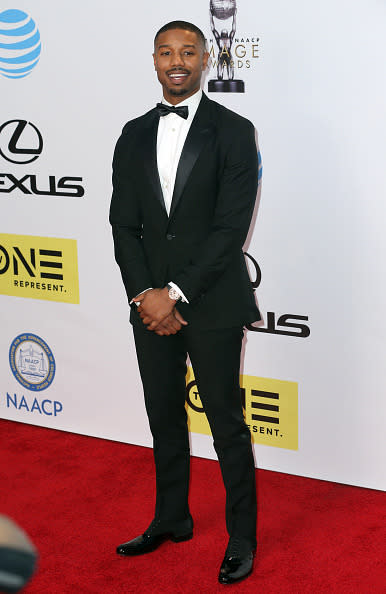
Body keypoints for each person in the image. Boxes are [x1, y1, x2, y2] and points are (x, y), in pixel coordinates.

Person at [110, 20, 260, 585]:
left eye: (189, 52)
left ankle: (242, 536)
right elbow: (123, 224)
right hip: (146, 303)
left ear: (205, 61)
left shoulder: (235, 130)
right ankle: (171, 517)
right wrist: (144, 295)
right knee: (163, 416)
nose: (178, 61)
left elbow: (229, 230)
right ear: (154, 60)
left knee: (226, 422)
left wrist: (174, 294)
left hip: (212, 301)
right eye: (167, 52)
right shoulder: (131, 133)